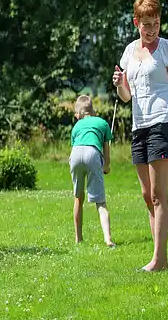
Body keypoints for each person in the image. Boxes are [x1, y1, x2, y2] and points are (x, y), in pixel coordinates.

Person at [113, 0, 168, 272]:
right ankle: (161, 259)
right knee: (147, 196)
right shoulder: (129, 52)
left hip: (162, 123)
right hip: (139, 128)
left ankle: (158, 260)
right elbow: (125, 97)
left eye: (155, 22)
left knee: (159, 195)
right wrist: (120, 82)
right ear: (136, 22)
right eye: (146, 23)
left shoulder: (166, 48)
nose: (151, 28)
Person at [69, 95, 114, 247]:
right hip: (92, 153)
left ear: (78, 115)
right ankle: (107, 239)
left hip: (75, 154)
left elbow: (75, 145)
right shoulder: (102, 123)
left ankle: (78, 239)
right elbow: (106, 150)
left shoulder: (76, 126)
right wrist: (106, 166)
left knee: (78, 198)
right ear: (93, 111)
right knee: (100, 202)